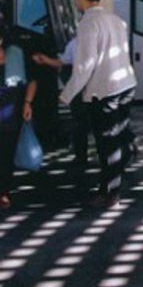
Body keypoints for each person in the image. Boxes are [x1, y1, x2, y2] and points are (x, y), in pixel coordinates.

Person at [60, 0, 137, 208]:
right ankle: (111, 186)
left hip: (105, 91)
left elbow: (86, 65)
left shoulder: (88, 23)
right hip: (125, 85)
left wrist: (66, 94)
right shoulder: (116, 20)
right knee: (118, 136)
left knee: (107, 142)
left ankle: (110, 193)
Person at [33, 37, 92, 195]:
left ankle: (81, 157)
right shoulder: (94, 40)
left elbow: (64, 62)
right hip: (97, 88)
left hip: (80, 89)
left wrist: (45, 60)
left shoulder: (76, 42)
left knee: (79, 122)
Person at [0, 24, 38, 209]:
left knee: (6, 154)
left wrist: (27, 103)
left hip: (10, 112)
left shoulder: (16, 53)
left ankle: (4, 191)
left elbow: (31, 81)